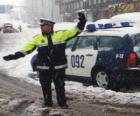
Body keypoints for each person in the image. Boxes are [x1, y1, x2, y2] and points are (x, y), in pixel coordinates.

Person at [3, 12, 86, 108]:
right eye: (41, 26)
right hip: (44, 68)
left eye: (44, 25)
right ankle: (47, 103)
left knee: (60, 86)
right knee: (45, 87)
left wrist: (82, 21)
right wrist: (15, 56)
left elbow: (76, 30)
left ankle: (62, 104)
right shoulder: (37, 39)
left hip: (59, 67)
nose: (41, 27)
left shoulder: (61, 35)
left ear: (50, 26)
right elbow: (26, 49)